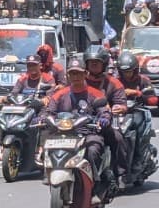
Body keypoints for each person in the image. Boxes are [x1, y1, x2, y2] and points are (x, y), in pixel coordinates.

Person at [42, 58, 113, 197]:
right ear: (68, 75)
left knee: (93, 150)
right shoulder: (60, 94)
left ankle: (96, 184)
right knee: (48, 144)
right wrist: (42, 117)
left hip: (87, 133)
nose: (75, 77)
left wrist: (104, 118)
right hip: (64, 134)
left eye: (78, 74)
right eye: (72, 74)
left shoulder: (95, 94)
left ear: (85, 74)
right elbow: (49, 110)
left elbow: (104, 111)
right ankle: (48, 171)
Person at [82, 48, 131, 182]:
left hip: (104, 122)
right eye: (90, 62)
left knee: (118, 139)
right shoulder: (79, 81)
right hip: (80, 122)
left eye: (97, 62)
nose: (93, 65)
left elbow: (121, 103)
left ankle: (121, 173)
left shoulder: (113, 83)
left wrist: (116, 108)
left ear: (103, 64)